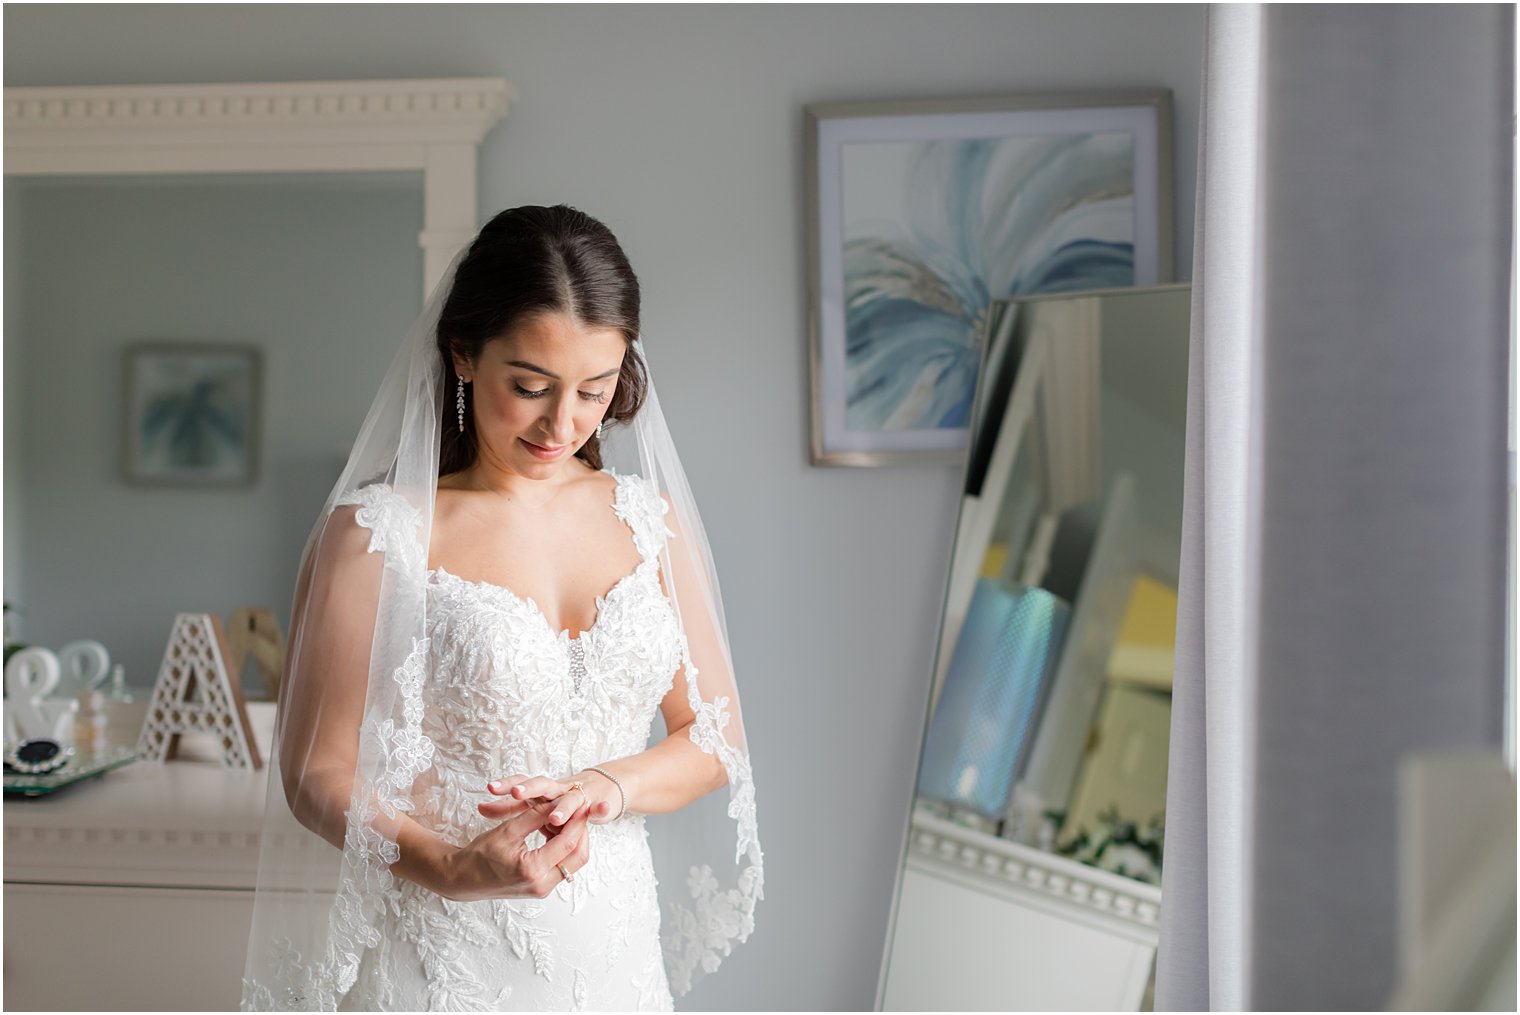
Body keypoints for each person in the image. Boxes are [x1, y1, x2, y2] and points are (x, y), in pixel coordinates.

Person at [240, 205, 763, 1011]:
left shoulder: (647, 521)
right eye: (530, 387)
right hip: (442, 961)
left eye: (594, 390)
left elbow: (714, 733)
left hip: (615, 959)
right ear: (462, 355)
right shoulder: (377, 536)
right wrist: (448, 867)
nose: (563, 423)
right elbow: (315, 770)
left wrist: (606, 784)